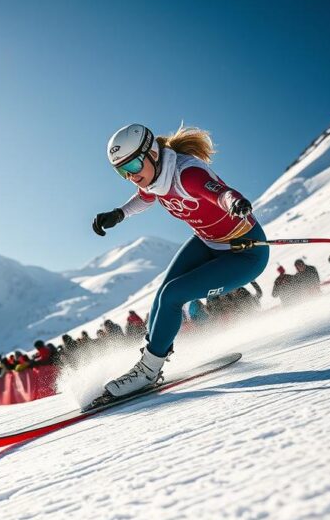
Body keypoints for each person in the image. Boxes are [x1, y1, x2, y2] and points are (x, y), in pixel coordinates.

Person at [92, 124, 268, 397]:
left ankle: (148, 371)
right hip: (208, 243)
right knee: (163, 293)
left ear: (151, 153)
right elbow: (145, 197)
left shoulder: (187, 173)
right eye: (122, 171)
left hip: (244, 252)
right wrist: (119, 214)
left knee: (174, 294)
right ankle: (149, 358)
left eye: (134, 164)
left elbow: (218, 192)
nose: (131, 175)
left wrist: (235, 201)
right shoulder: (154, 176)